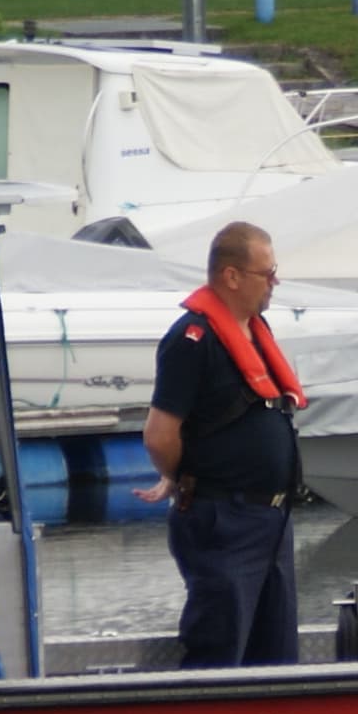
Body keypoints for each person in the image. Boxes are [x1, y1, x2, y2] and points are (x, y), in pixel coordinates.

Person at [145, 221, 304, 667]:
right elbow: (160, 435)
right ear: (232, 276)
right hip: (226, 519)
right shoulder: (193, 339)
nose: (274, 283)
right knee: (220, 649)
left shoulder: (257, 329)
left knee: (275, 657)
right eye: (266, 274)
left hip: (271, 518)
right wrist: (181, 479)